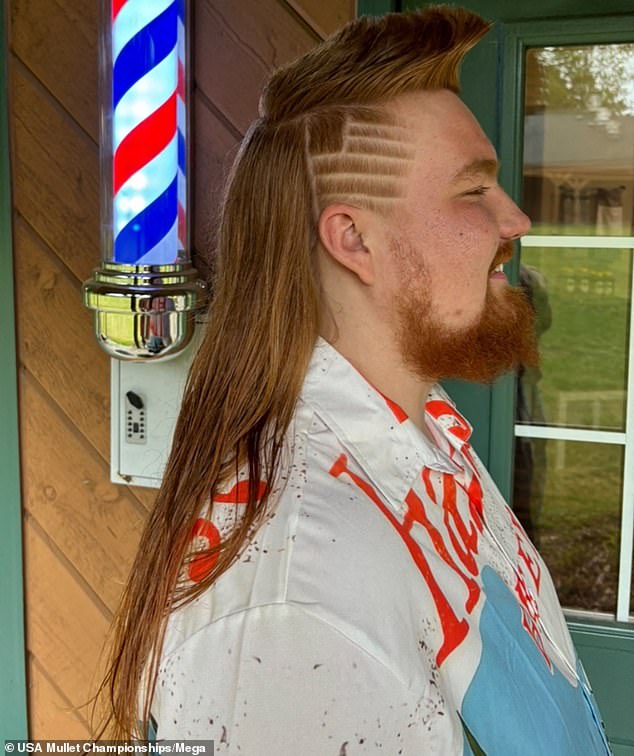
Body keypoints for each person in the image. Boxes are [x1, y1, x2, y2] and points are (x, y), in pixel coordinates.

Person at [96, 7, 612, 754]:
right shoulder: (295, 602)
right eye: (474, 191)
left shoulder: (424, 431)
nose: (515, 218)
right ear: (353, 240)